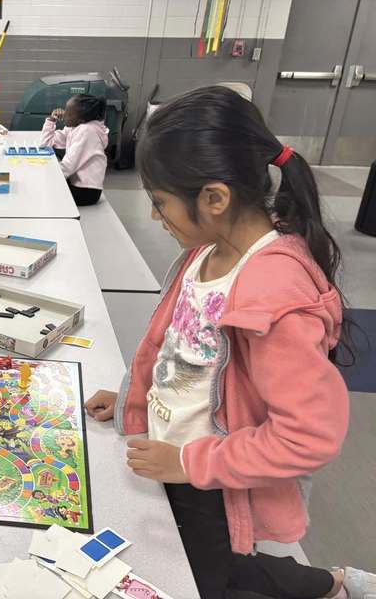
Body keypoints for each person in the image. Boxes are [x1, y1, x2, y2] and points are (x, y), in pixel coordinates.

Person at [84, 85, 375, 599]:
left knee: (210, 575)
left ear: (214, 198)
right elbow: (175, 349)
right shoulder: (207, 251)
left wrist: (190, 463)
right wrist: (132, 392)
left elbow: (308, 437)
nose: (154, 216)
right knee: (204, 562)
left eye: (160, 203)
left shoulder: (275, 294)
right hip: (180, 461)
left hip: (214, 480)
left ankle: (333, 587)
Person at [40, 93, 108, 206]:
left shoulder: (86, 131)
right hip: (75, 183)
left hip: (86, 191)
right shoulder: (74, 128)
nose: (63, 113)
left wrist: (46, 175)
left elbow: (68, 165)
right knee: (44, 187)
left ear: (81, 120)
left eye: (69, 112)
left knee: (44, 192)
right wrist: (51, 120)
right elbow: (46, 144)